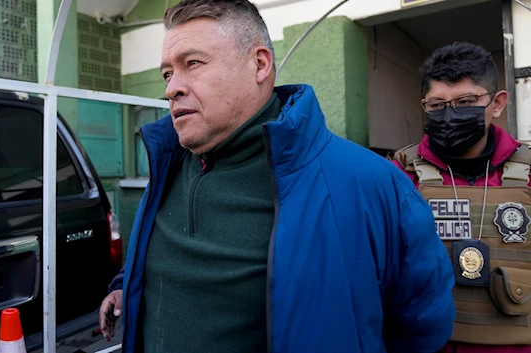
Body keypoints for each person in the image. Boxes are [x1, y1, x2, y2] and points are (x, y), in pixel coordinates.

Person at [100, 1, 455, 352]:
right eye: (167, 73)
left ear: (259, 64)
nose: (172, 87)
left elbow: (422, 324)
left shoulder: (372, 184)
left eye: (193, 63)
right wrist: (125, 283)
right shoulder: (166, 167)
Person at [392, 42, 531, 353]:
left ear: (497, 104)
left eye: (466, 101)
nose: (451, 115)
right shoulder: (401, 176)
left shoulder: (529, 174)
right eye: (437, 105)